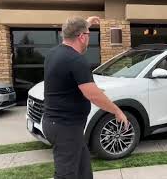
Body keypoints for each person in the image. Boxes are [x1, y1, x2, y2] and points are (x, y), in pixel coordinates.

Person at [42, 16, 129, 179]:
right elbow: (92, 95)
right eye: (88, 34)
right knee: (66, 174)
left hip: (57, 124)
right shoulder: (76, 60)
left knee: (83, 170)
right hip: (65, 128)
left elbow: (74, 85)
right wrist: (117, 111)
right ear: (82, 37)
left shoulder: (53, 53)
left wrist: (86, 24)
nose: (89, 38)